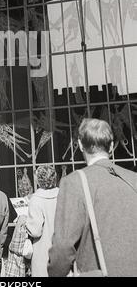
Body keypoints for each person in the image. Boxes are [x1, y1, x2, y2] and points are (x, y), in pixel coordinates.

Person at [48, 118, 137, 277]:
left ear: (80, 145)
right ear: (111, 146)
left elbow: (62, 247)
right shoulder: (133, 179)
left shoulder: (74, 182)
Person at [26, 165, 59, 277]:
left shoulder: (36, 199)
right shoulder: (63, 195)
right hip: (62, 249)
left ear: (38, 180)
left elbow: (35, 231)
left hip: (42, 251)